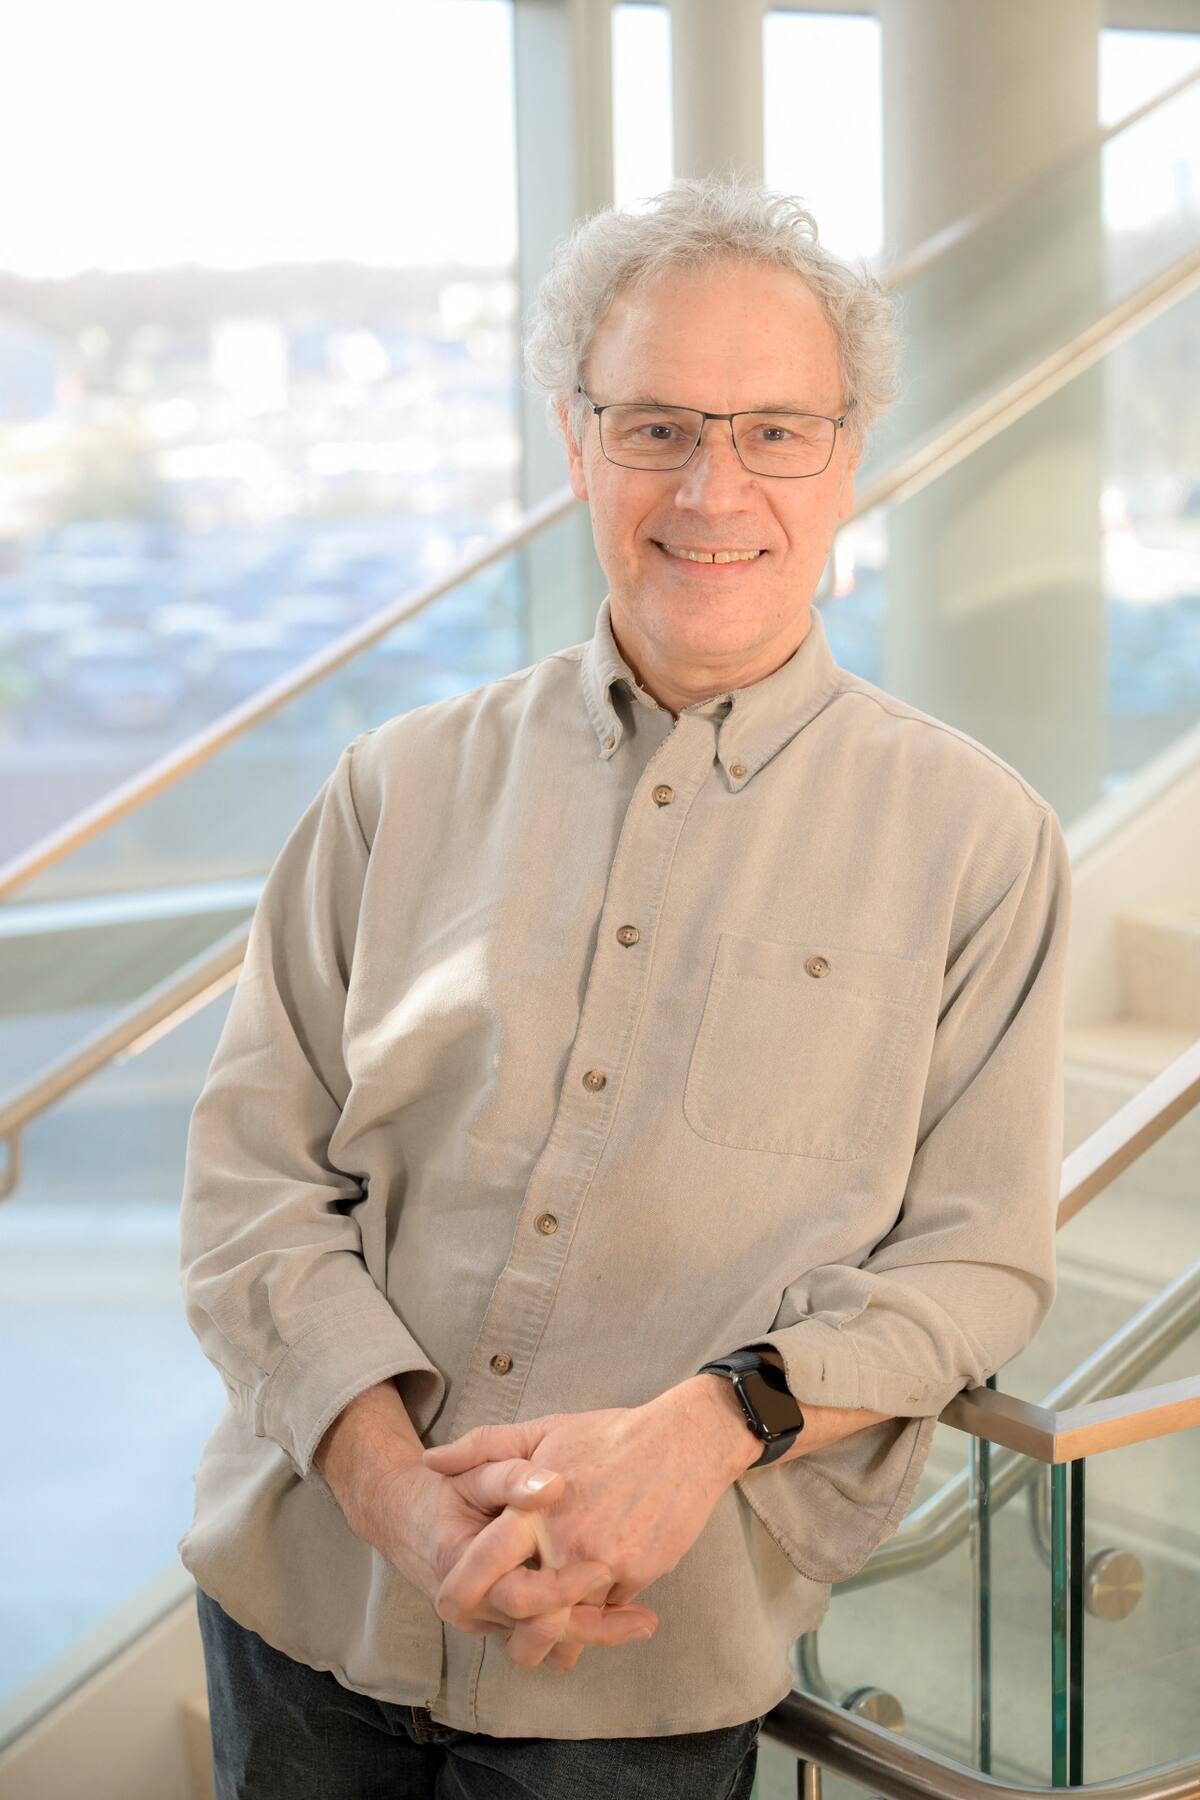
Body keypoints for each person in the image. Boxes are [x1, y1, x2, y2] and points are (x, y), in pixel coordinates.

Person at [178, 175, 1072, 1799]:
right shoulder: (395, 785)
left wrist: (713, 1430)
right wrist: (396, 1494)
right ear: (576, 443)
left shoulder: (979, 842)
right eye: (654, 425)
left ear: (849, 454)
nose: (711, 486)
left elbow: (980, 1262)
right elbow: (251, 1190)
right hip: (302, 1610)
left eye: (774, 431)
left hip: (641, 1672)